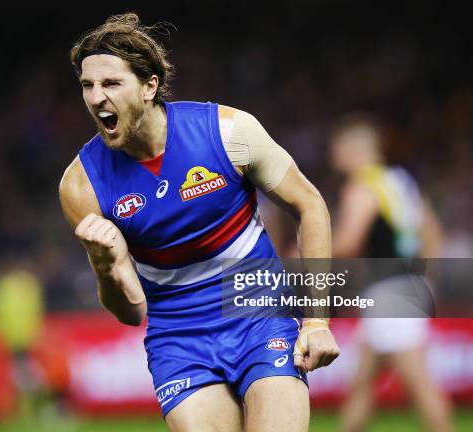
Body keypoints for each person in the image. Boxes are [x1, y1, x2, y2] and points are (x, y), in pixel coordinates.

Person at [59, 13, 339, 431]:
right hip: (179, 340)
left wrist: (317, 322)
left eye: (111, 83)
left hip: (260, 317)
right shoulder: (82, 185)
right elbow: (130, 312)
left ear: (150, 85)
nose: (96, 98)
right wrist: (105, 265)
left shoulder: (228, 132)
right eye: (88, 85)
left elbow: (310, 205)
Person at [329, 113, 452, 432]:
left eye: (338, 147)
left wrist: (306, 249)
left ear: (355, 149)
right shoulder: (401, 180)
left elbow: (348, 242)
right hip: (408, 285)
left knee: (418, 381)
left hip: (389, 292)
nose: (334, 154)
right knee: (361, 383)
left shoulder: (362, 186)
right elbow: (433, 233)